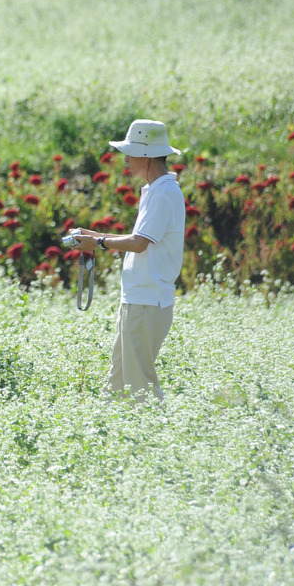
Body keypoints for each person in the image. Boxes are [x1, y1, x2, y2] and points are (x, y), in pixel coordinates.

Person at [67, 119, 185, 402]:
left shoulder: (163, 193)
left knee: (140, 385)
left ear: (146, 155)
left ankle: (158, 427)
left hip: (147, 301)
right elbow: (138, 238)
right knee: (118, 383)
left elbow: (139, 243)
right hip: (138, 300)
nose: (127, 160)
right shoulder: (156, 191)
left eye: (130, 153)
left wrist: (98, 242)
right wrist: (94, 236)